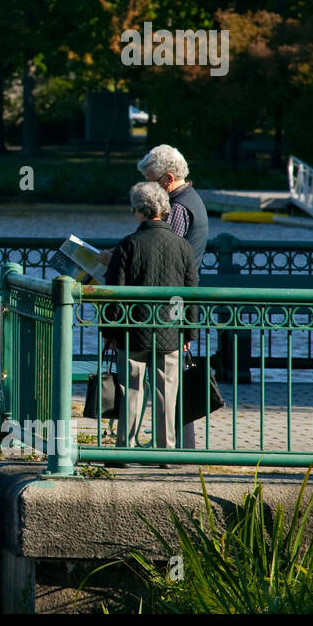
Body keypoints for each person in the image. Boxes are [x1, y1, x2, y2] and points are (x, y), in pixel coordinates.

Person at [103, 181, 198, 454]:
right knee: (167, 394)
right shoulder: (182, 246)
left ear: (138, 211)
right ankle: (166, 451)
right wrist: (188, 334)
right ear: (164, 209)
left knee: (131, 391)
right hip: (170, 331)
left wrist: (109, 333)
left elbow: (113, 294)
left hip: (132, 331)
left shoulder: (127, 245)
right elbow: (190, 293)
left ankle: (125, 449)